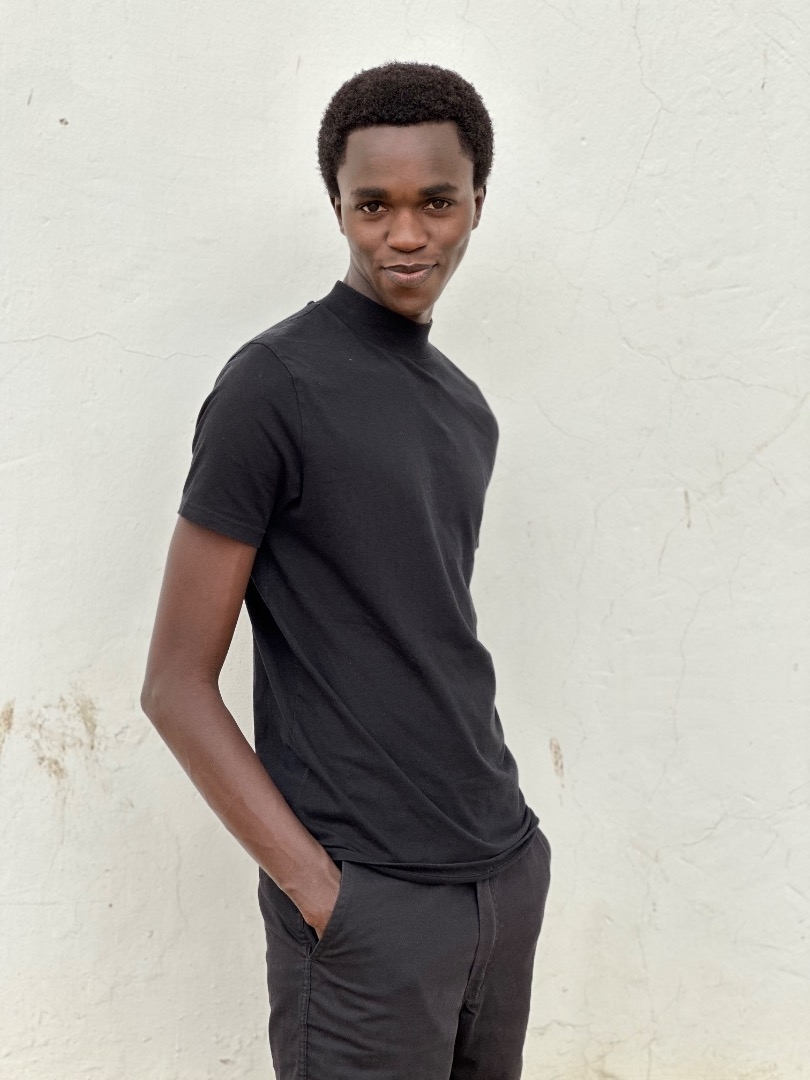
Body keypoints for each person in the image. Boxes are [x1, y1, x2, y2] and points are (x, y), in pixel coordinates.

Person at [141, 60, 551, 1080]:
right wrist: (321, 893)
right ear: (338, 206)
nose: (405, 235)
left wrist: (514, 863)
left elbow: (418, 631)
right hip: (369, 902)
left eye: (435, 202)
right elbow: (174, 684)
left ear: (477, 202)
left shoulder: (466, 409)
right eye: (374, 205)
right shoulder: (270, 387)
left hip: (501, 874)